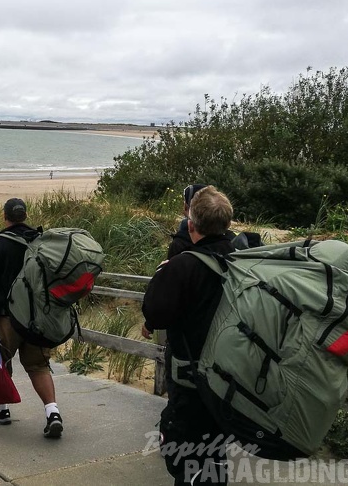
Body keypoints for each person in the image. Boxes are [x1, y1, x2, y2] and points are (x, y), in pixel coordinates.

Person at [142, 186, 235, 485]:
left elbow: (155, 314)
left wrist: (162, 274)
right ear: (227, 225)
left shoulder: (183, 265)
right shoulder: (244, 260)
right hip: (233, 374)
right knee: (215, 450)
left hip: (191, 376)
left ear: (191, 224)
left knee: (185, 456)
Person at [0, 197, 63, 438]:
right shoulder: (40, 241)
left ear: (5, 216)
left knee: (0, 361)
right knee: (38, 366)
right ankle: (52, 412)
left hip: (7, 317)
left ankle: (1, 410)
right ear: (24, 215)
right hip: (37, 317)